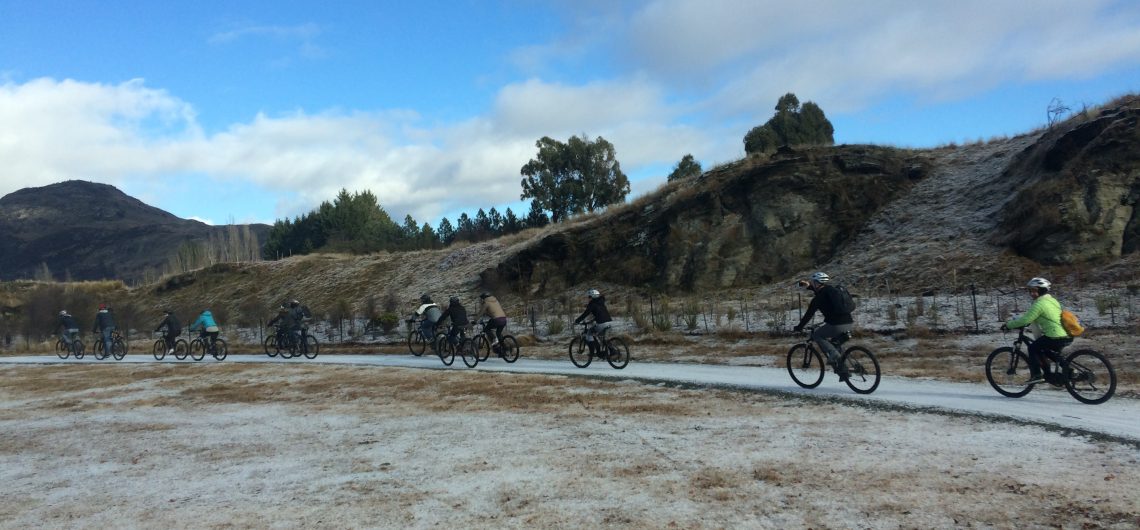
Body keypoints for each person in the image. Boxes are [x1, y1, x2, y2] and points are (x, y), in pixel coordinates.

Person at [1001, 277, 1071, 385]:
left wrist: (1009, 325)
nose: (1031, 293)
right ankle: (1068, 370)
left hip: (1055, 336)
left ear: (1041, 290)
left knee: (1032, 348)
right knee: (1044, 349)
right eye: (1030, 291)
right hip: (1066, 334)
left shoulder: (1039, 304)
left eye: (1034, 290)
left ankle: (1037, 374)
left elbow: (1026, 319)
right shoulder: (1052, 300)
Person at [792, 272, 854, 380]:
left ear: (817, 283)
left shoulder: (818, 298)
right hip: (849, 322)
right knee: (834, 343)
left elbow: (808, 315)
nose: (812, 284)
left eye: (813, 282)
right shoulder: (833, 290)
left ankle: (835, 356)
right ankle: (843, 370)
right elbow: (819, 290)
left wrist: (799, 327)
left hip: (836, 324)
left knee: (817, 335)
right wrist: (808, 286)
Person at [573, 288, 613, 358]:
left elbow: (585, 314)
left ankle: (593, 352)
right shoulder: (601, 302)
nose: (588, 299)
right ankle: (612, 351)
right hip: (609, 322)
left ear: (592, 297)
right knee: (602, 338)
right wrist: (592, 320)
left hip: (602, 323)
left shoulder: (592, 304)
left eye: (589, 297)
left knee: (589, 333)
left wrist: (577, 321)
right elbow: (600, 314)